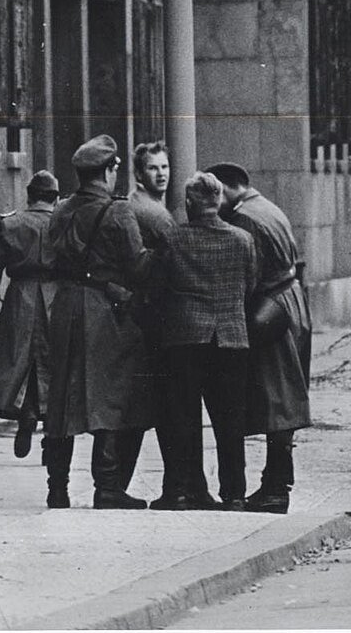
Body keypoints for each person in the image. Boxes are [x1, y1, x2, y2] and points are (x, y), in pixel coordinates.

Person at [44, 134, 153, 509]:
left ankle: (56, 487)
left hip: (64, 306)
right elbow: (137, 264)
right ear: (108, 171)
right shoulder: (119, 212)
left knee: (62, 395)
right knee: (109, 391)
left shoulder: (59, 209)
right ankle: (107, 485)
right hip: (105, 309)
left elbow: (51, 257)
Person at [206, 163, 311, 515]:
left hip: (271, 309)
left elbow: (247, 274)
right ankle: (275, 483)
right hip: (289, 301)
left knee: (277, 399)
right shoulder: (267, 206)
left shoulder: (245, 219)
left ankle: (276, 488)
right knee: (285, 396)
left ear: (228, 188)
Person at [0, 170, 73, 508]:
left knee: (20, 365)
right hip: (59, 300)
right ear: (56, 197)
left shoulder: (11, 224)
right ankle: (59, 486)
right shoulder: (66, 222)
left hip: (21, 299)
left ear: (29, 196)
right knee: (58, 384)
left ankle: (26, 412)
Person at [152, 172, 257, 510]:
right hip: (231, 338)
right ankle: (235, 494)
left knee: (182, 416)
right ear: (218, 202)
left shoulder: (173, 240)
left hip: (184, 338)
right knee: (231, 420)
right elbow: (250, 285)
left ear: (188, 204)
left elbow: (160, 284)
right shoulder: (242, 240)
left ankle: (182, 491)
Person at [126, 142, 217, 509]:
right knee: (172, 408)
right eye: (152, 168)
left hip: (152, 319)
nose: (161, 173)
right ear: (139, 173)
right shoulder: (154, 214)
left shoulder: (148, 208)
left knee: (168, 408)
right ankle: (184, 486)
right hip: (159, 321)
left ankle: (180, 485)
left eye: (164, 167)